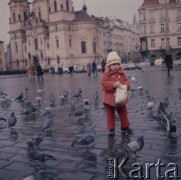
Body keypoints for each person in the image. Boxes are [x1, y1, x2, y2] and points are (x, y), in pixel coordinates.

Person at [101, 51, 132, 135]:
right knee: (110, 114)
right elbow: (103, 83)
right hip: (109, 98)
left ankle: (125, 126)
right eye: (114, 64)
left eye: (117, 64)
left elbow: (127, 81)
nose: (116, 66)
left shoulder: (122, 73)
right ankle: (111, 129)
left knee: (123, 112)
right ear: (109, 65)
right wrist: (113, 85)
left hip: (120, 97)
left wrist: (126, 85)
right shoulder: (106, 74)